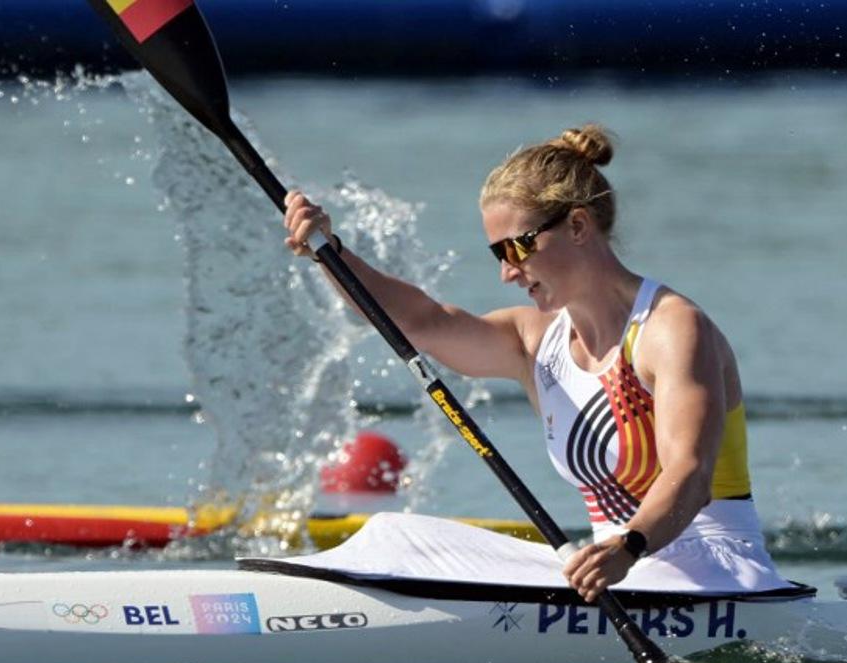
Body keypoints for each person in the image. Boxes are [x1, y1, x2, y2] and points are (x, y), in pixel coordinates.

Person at [283, 124, 789, 603]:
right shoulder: (534, 341)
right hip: (611, 578)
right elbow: (422, 321)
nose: (507, 273)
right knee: (398, 535)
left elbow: (691, 472)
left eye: (517, 248)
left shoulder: (672, 329)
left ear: (576, 226)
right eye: (496, 254)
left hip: (717, 575)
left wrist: (628, 548)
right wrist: (330, 252)